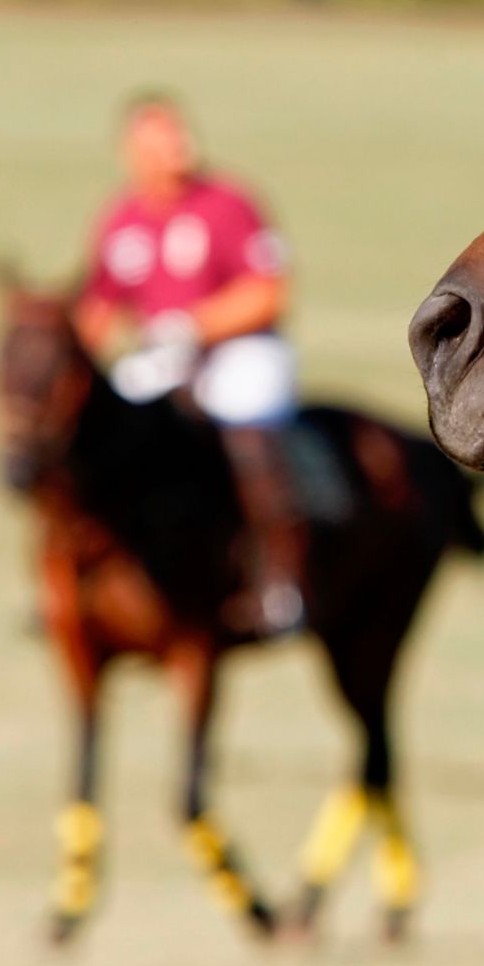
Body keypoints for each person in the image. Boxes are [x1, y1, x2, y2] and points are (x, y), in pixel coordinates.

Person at [74, 91, 306, 638]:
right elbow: (96, 311)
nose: (179, 147)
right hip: (164, 357)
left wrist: (193, 325)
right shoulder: (122, 219)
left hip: (241, 350)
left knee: (246, 425)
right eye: (162, 140)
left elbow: (269, 293)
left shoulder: (227, 203)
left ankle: (282, 581)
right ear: (132, 151)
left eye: (180, 135)